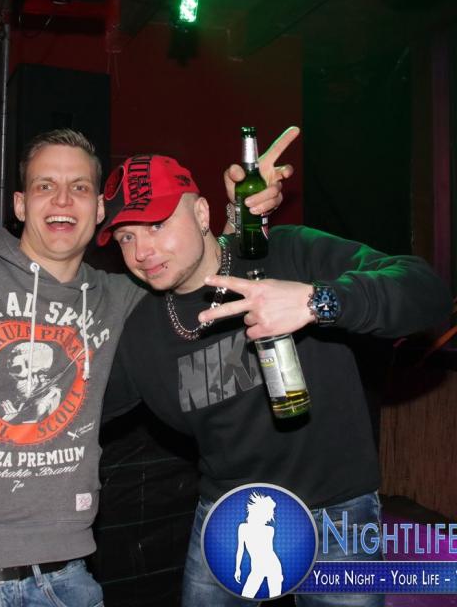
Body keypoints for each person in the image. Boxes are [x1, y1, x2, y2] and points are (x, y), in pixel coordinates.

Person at [0, 127, 287, 606]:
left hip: (63, 581)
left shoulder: (122, 298)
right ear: (21, 205)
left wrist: (243, 218)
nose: (62, 200)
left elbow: (196, 270)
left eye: (79, 187)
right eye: (45, 185)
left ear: (99, 211)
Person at [98, 152, 452, 607]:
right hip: (230, 512)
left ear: (202, 213)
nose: (141, 251)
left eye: (156, 224)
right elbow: (83, 414)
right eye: (126, 236)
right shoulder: (142, 331)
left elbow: (426, 290)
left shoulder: (287, 252)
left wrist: (318, 301)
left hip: (336, 512)